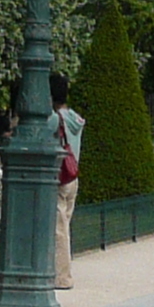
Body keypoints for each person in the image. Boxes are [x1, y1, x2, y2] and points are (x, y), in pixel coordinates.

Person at [50, 92, 86, 293]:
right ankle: (60, 272)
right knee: (64, 227)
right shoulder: (75, 118)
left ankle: (62, 277)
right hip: (73, 175)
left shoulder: (56, 120)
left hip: (60, 176)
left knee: (58, 229)